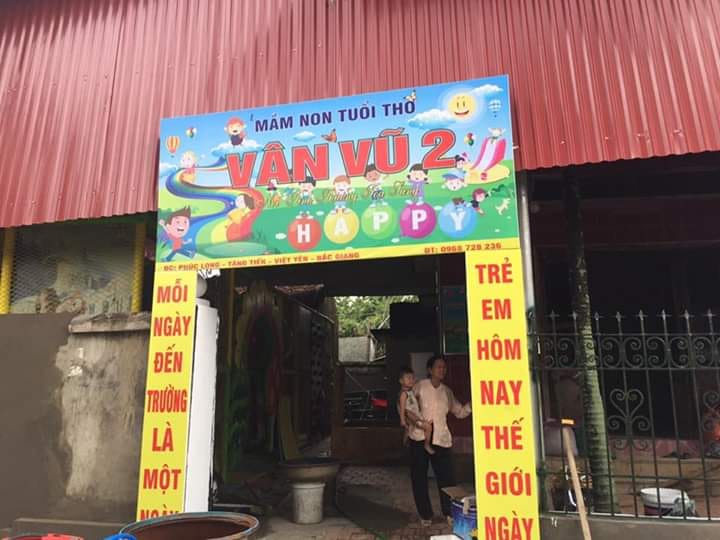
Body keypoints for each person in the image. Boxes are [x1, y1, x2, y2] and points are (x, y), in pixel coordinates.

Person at [410, 355, 471, 526]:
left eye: (444, 367)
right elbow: (407, 407)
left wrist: (471, 405)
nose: (442, 370)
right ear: (430, 370)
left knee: (447, 478)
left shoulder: (447, 392)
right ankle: (425, 515)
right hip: (419, 438)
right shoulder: (420, 387)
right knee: (419, 478)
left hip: (441, 439)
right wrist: (416, 424)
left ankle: (449, 512)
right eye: (438, 367)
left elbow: (459, 412)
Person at [397, 366, 434, 455]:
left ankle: (406, 443)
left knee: (410, 430)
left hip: (416, 415)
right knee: (428, 427)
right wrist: (402, 420)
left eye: (412, 378)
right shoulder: (403, 394)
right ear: (401, 381)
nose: (411, 380)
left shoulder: (411, 392)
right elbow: (402, 408)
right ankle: (426, 445)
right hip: (411, 417)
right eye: (408, 378)